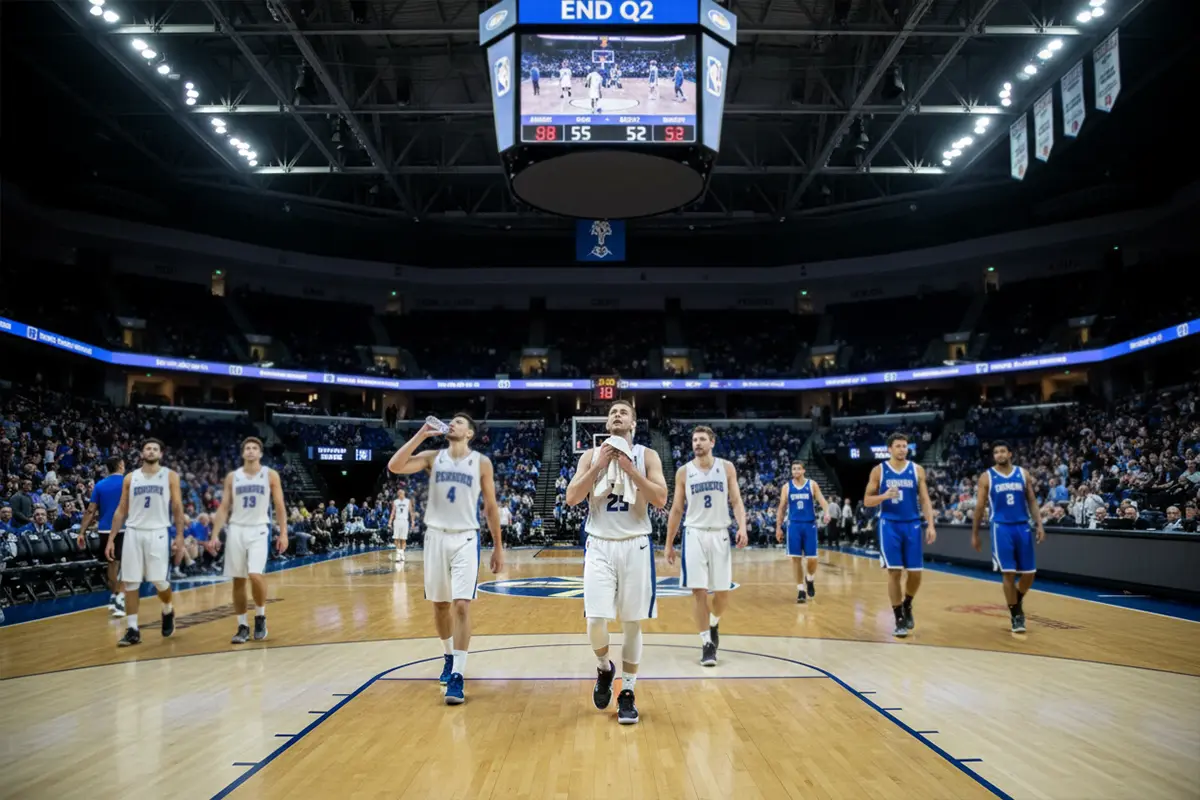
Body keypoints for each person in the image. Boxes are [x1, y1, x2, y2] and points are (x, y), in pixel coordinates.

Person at [387, 413, 504, 706]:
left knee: (461, 605)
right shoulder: (432, 457)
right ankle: (448, 656)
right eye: (450, 421)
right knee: (440, 606)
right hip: (435, 537)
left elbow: (490, 507)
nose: (453, 424)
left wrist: (498, 546)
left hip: (466, 536)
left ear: (470, 434)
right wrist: (421, 435)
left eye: (460, 422)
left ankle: (459, 675)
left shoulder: (481, 462)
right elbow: (395, 465)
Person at [564, 400, 668, 725]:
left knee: (632, 623)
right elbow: (572, 497)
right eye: (612, 413)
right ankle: (605, 668)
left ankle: (629, 692)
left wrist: (630, 470)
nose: (617, 415)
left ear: (633, 422)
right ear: (607, 424)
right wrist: (600, 466)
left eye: (623, 412)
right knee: (595, 620)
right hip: (599, 544)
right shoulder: (589, 456)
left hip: (635, 544)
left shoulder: (647, 456)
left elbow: (661, 499)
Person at [665, 426, 747, 667]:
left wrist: (742, 526)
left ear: (712, 442)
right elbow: (677, 509)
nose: (697, 443)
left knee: (722, 593)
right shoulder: (684, 472)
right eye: (694, 439)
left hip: (720, 533)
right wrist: (669, 543)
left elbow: (737, 501)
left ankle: (713, 623)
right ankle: (706, 644)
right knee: (698, 591)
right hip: (694, 535)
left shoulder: (727, 468)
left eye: (702, 439)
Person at [206, 437, 288, 644]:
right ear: (243, 453)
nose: (251, 451)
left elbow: (279, 505)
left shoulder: (270, 475)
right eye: (247, 448)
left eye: (255, 448)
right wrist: (214, 535)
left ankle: (260, 616)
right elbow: (224, 507)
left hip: (259, 529)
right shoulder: (233, 477)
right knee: (238, 579)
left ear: (260, 453)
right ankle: (242, 625)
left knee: (255, 574)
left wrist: (283, 532)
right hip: (236, 529)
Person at [105, 439, 186, 648]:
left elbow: (177, 506)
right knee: (131, 582)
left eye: (155, 448)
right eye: (148, 448)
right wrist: (112, 538)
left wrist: (179, 536)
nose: (151, 451)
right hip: (133, 531)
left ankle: (167, 608)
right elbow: (122, 509)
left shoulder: (169, 476)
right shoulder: (131, 478)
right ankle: (132, 630)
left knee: (159, 581)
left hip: (158, 531)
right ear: (142, 453)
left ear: (161, 453)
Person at [863, 432, 937, 638]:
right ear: (889, 449)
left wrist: (930, 525)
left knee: (915, 573)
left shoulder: (917, 470)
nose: (902, 449)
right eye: (898, 446)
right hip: (889, 524)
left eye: (905, 446)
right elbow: (867, 500)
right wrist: (884, 496)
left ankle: (908, 603)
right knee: (894, 572)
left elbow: (924, 499)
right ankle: (899, 618)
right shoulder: (879, 471)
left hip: (912, 524)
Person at [971, 441, 1045, 633]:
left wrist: (1040, 524)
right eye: (996, 452)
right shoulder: (986, 477)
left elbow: (1031, 500)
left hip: (1022, 525)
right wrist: (975, 533)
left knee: (1029, 573)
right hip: (1001, 528)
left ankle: (1016, 598)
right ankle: (1016, 615)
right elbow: (979, 507)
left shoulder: (1023, 474)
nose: (999, 454)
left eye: (1003, 451)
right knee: (1009, 573)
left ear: (1010, 453)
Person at [775, 460, 830, 604]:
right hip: (794, 525)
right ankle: (800, 590)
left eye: (798, 469)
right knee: (796, 559)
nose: (796, 471)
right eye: (793, 469)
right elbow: (781, 508)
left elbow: (822, 500)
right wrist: (778, 527)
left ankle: (810, 578)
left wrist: (826, 512)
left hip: (809, 525)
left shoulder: (812, 485)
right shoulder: (787, 487)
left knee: (812, 559)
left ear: (804, 471)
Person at [77, 456, 126, 617]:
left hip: (105, 530)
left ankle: (114, 597)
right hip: (125, 528)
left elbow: (90, 510)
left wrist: (82, 532)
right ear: (120, 465)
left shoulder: (100, 485)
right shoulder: (129, 482)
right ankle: (120, 599)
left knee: (111, 565)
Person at [389, 487, 415, 562]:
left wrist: (413, 522)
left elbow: (411, 512)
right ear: (398, 494)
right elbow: (393, 512)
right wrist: (390, 522)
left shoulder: (408, 501)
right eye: (399, 493)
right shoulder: (395, 501)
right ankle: (398, 554)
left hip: (405, 521)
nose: (401, 494)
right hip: (397, 521)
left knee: (403, 539)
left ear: (404, 494)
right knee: (396, 538)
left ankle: (402, 554)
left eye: (402, 493)